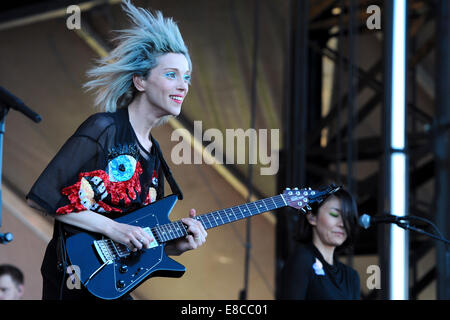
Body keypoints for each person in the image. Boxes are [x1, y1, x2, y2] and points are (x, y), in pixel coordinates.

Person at [26, 0, 207, 300]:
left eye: (187, 77)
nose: (184, 85)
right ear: (140, 81)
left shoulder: (155, 155)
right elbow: (42, 197)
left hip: (113, 284)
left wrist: (178, 245)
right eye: (172, 74)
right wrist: (113, 229)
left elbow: (142, 236)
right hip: (74, 276)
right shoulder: (104, 128)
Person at [280, 186, 360, 300]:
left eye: (348, 217)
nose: (342, 224)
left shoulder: (351, 276)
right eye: (334, 214)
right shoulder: (302, 260)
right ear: (312, 217)